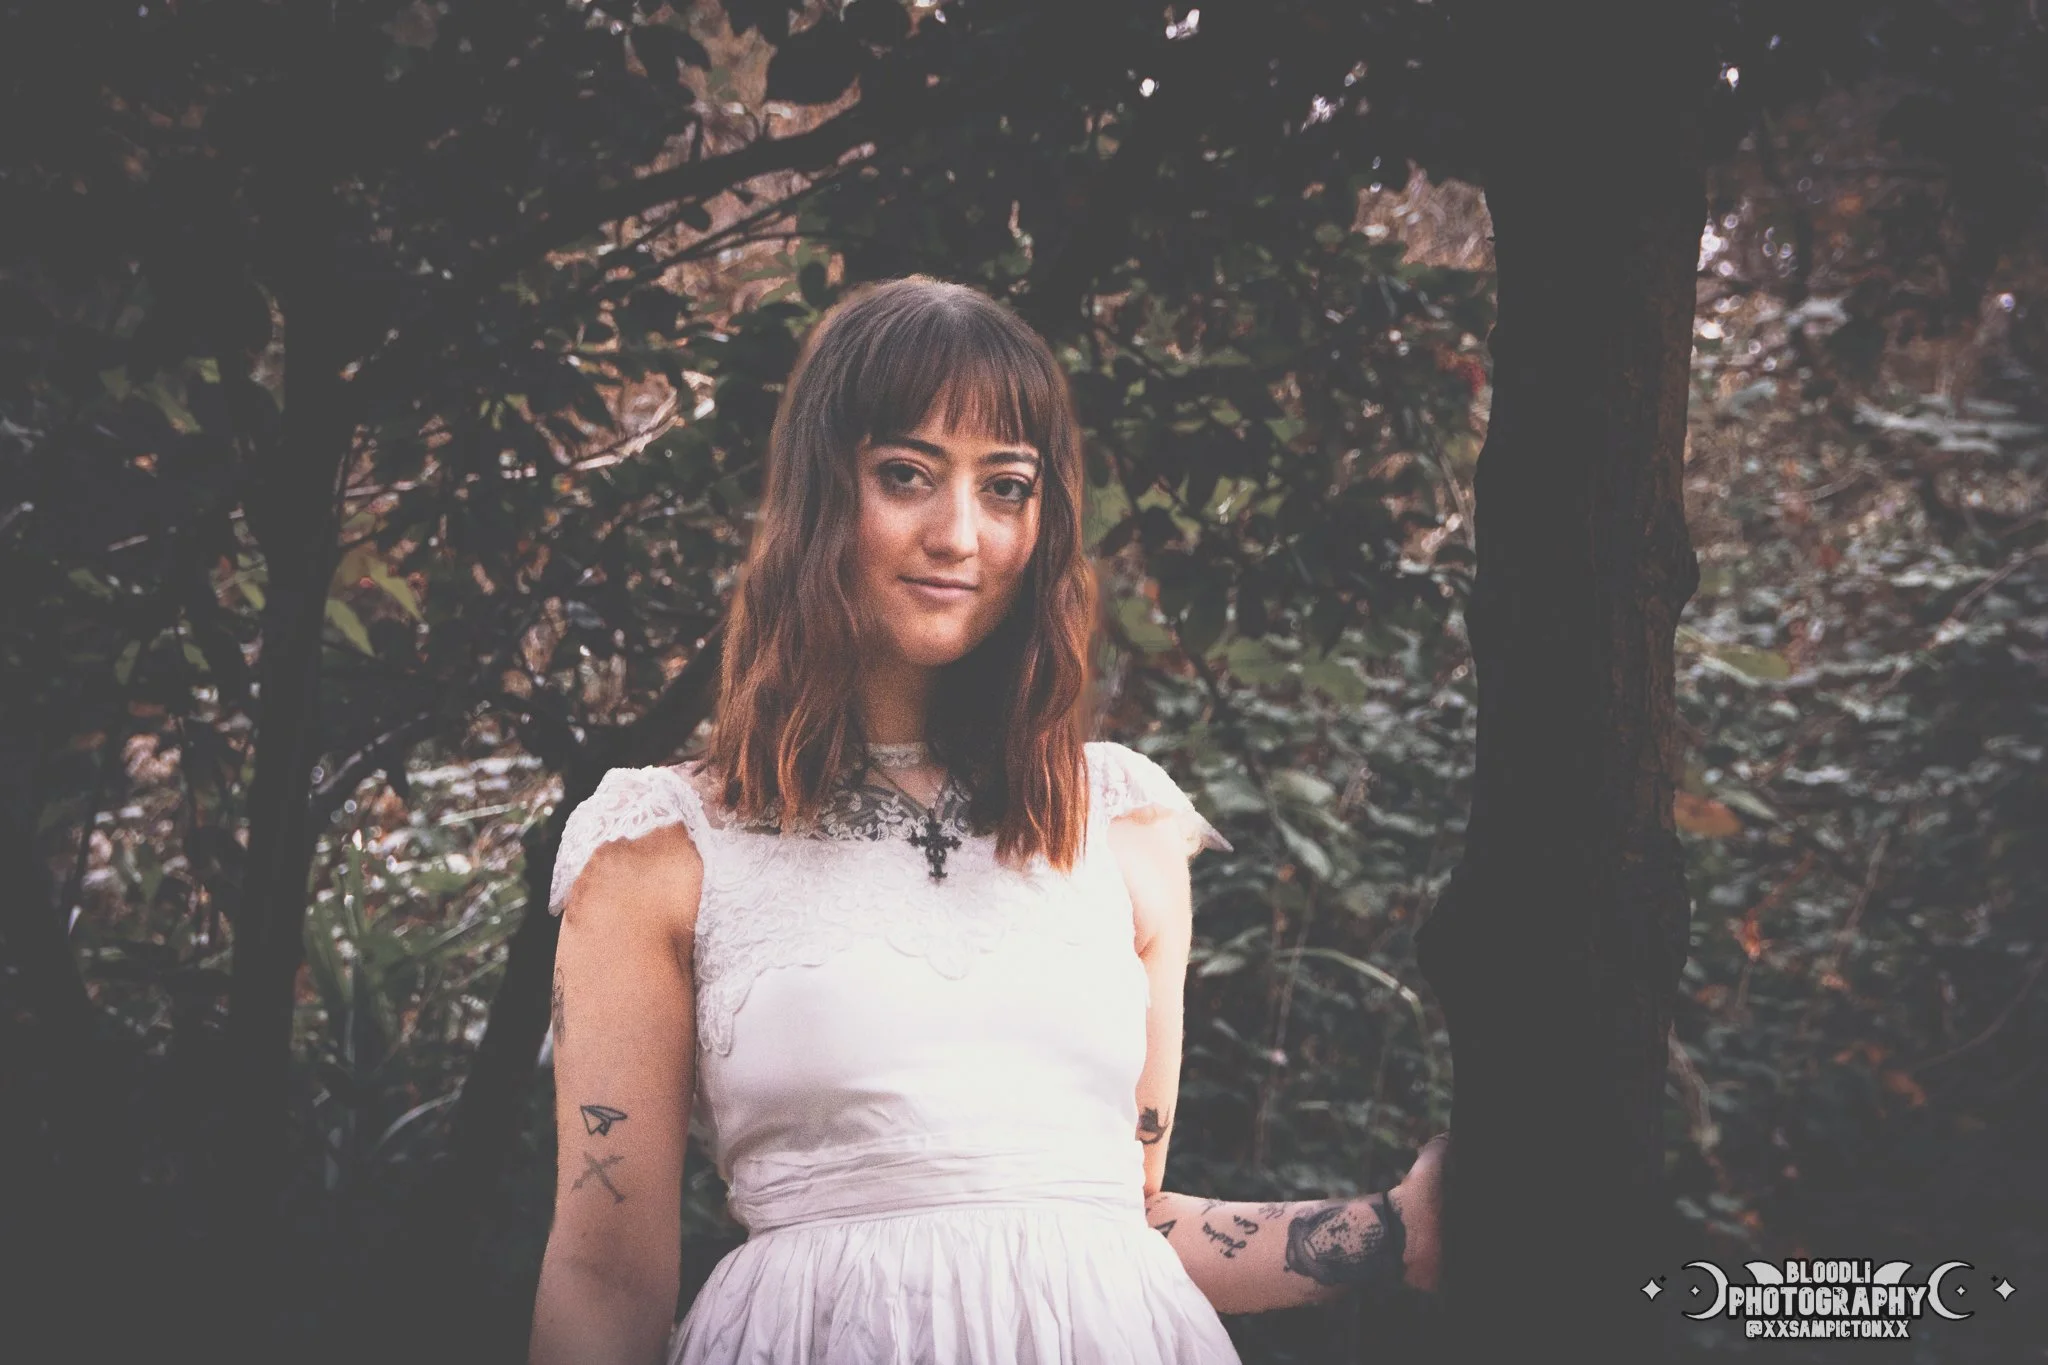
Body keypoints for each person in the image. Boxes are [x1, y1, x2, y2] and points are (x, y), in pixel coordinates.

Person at [527, 276, 1451, 1365]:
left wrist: (1388, 1232)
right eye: (906, 475)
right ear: (823, 492)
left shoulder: (1121, 827)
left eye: (1005, 486)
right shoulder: (660, 848)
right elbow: (605, 1278)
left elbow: (1121, 1221)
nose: (958, 534)